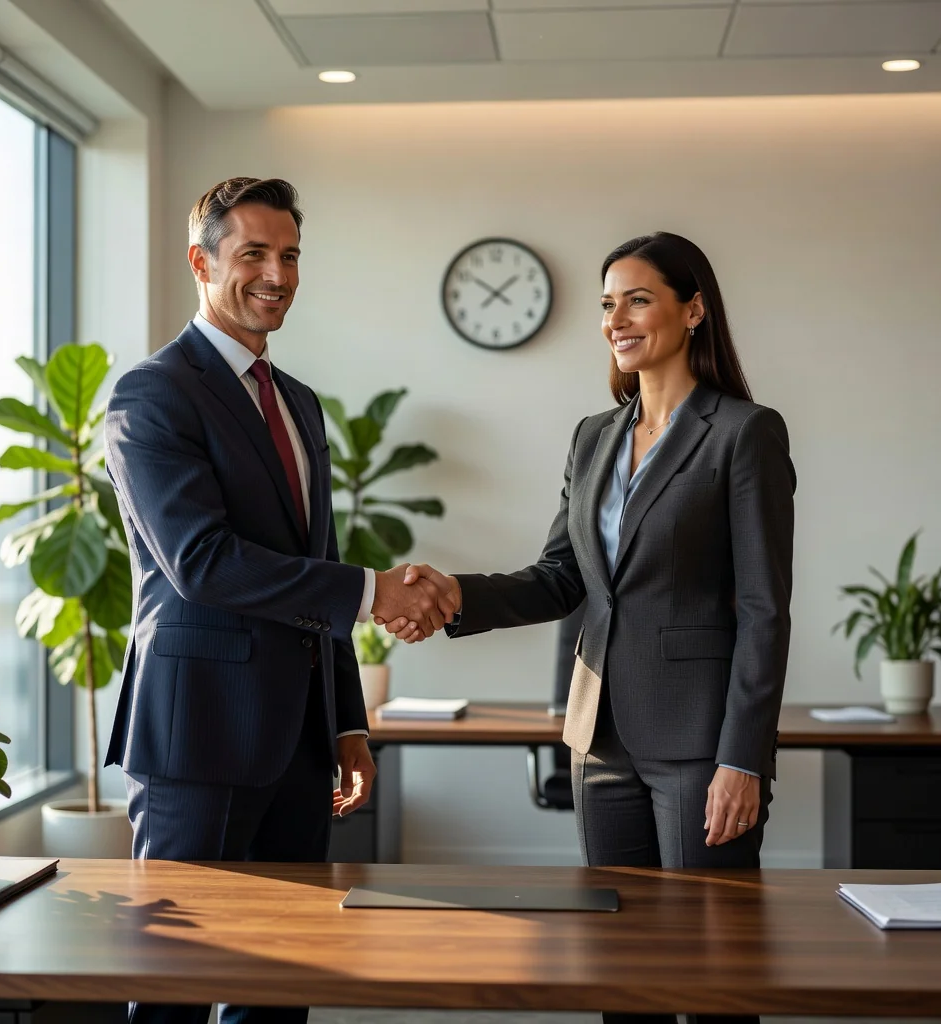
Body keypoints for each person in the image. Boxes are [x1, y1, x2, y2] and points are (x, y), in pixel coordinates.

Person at [383, 231, 795, 1024]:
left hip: (700, 746)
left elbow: (763, 609)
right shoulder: (594, 437)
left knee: (711, 969)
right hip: (597, 738)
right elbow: (560, 578)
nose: (616, 319)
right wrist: (452, 595)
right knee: (619, 968)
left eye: (638, 299)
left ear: (694, 307)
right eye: (608, 304)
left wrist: (743, 758)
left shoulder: (744, 433)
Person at [103, 176, 445, 1024]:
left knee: (283, 982)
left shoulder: (297, 402)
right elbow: (203, 562)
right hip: (200, 735)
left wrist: (346, 723)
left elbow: (312, 563)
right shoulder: (152, 394)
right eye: (253, 253)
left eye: (289, 255)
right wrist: (374, 592)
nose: (277, 274)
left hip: (298, 741)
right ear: (202, 261)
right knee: (176, 980)